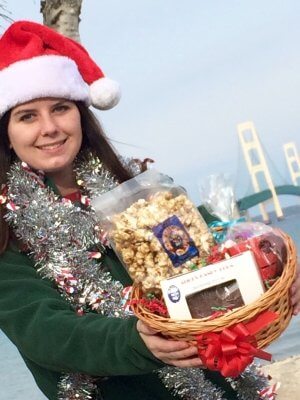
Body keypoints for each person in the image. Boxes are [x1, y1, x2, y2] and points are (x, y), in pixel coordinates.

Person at [0, 20, 299, 400]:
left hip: (223, 382)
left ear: (80, 114)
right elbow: (42, 331)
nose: (49, 128)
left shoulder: (140, 188)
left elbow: (215, 251)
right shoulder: (7, 227)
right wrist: (137, 341)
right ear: (6, 132)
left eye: (60, 108)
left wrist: (270, 266)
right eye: (27, 116)